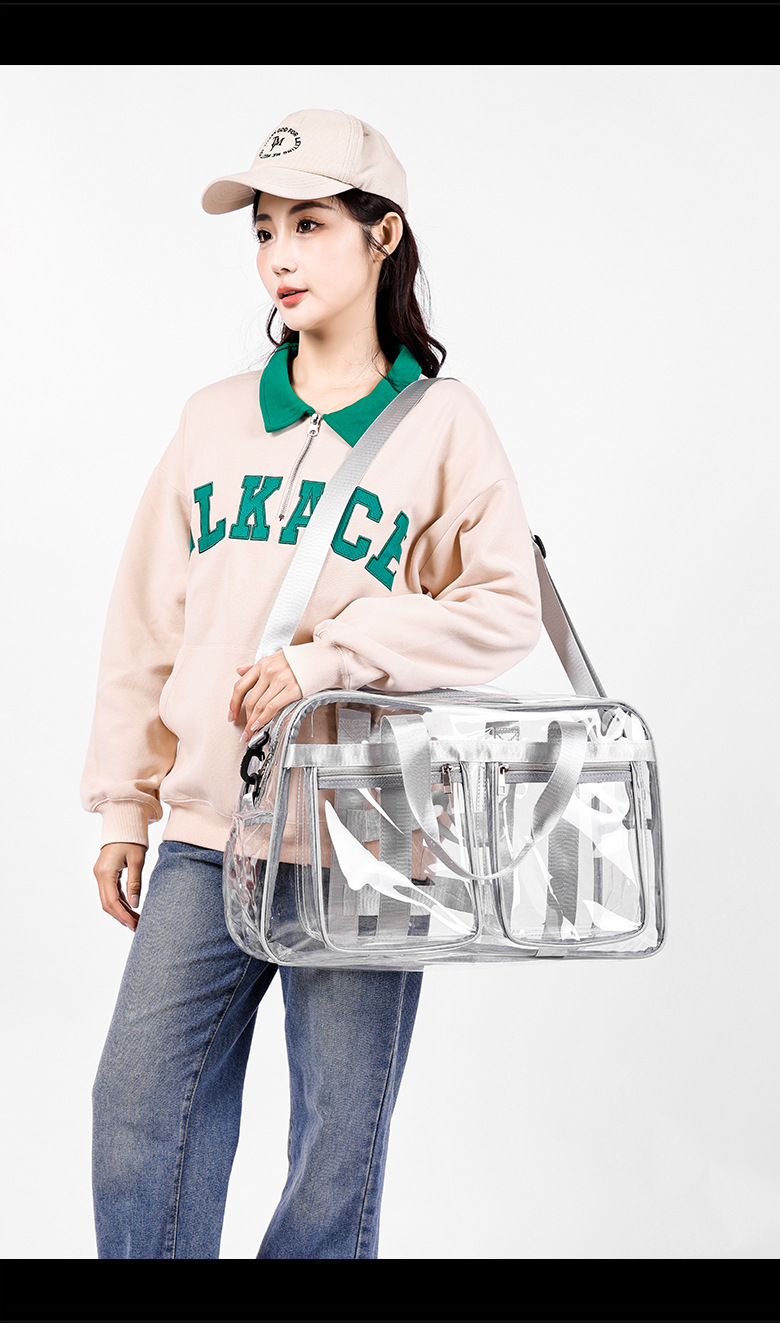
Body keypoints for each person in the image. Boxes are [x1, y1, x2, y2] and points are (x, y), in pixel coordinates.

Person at [81, 107, 543, 1259]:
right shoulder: (214, 420)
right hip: (207, 829)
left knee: (337, 1153)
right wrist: (124, 803)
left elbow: (504, 611)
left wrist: (330, 655)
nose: (278, 256)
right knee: (137, 1118)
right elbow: (146, 620)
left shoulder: (444, 426)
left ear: (383, 236)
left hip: (369, 834)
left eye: (310, 225)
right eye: (264, 231)